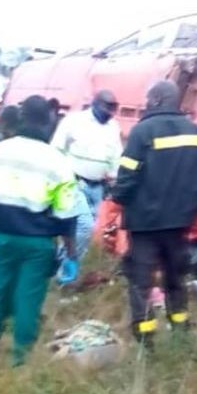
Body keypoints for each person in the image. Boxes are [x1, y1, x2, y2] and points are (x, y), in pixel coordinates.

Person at [0, 95, 78, 366]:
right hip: (38, 245)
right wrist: (71, 254)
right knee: (28, 303)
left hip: (2, 238)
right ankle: (20, 361)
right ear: (48, 122)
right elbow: (66, 215)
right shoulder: (59, 161)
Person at [112, 81, 197, 348]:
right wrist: (190, 212)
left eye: (147, 99)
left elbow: (127, 177)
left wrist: (117, 199)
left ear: (156, 100)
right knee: (176, 279)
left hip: (145, 225)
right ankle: (180, 331)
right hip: (179, 224)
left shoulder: (142, 131)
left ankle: (146, 340)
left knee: (141, 283)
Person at [51, 91, 122, 266]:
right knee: (84, 227)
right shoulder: (74, 121)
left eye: (112, 110)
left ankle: (59, 263)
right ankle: (66, 269)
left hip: (98, 187)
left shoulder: (113, 127)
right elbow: (56, 150)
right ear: (95, 104)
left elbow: (116, 156)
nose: (109, 114)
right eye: (107, 109)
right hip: (75, 183)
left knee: (86, 231)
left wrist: (115, 178)